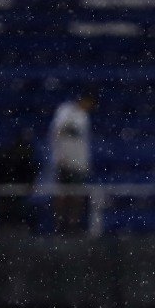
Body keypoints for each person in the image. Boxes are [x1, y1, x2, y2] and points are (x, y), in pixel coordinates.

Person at [50, 94, 94, 235]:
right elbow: (57, 132)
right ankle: (60, 225)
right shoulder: (66, 110)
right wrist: (60, 156)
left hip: (78, 163)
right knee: (62, 194)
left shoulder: (84, 116)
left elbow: (83, 142)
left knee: (77, 195)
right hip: (64, 160)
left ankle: (72, 225)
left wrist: (85, 163)